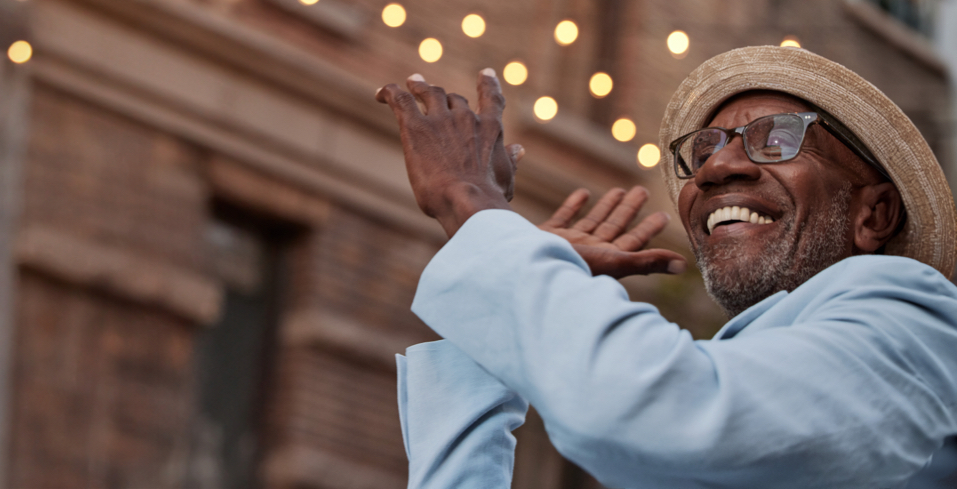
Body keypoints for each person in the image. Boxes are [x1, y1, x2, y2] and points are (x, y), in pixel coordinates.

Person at [377, 46, 957, 487]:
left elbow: (654, 411)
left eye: (776, 139)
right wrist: (494, 315)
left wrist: (471, 204)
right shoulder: (747, 366)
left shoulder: (915, 317)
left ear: (874, 214)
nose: (712, 169)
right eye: (702, 150)